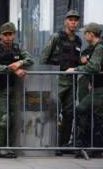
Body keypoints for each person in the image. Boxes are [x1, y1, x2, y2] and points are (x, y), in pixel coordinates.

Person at [0, 22, 34, 158]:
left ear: (14, 35)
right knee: (3, 118)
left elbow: (30, 59)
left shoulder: (17, 48)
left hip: (14, 88)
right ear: (1, 35)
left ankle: (9, 147)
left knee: (13, 118)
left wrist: (20, 63)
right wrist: (12, 70)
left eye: (10, 34)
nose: (8, 37)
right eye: (5, 35)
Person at [40, 9, 82, 156]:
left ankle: (63, 144)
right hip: (56, 79)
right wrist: (45, 78)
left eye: (76, 20)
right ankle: (52, 144)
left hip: (72, 81)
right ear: (65, 21)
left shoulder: (78, 40)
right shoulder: (57, 37)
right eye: (71, 19)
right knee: (54, 112)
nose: (73, 22)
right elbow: (44, 57)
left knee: (69, 113)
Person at [66, 23, 103, 158]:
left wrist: (75, 69)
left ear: (91, 34)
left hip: (100, 89)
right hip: (97, 87)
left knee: (82, 109)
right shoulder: (94, 48)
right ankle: (94, 148)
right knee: (97, 115)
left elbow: (93, 67)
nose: (84, 34)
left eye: (86, 32)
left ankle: (84, 145)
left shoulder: (99, 48)